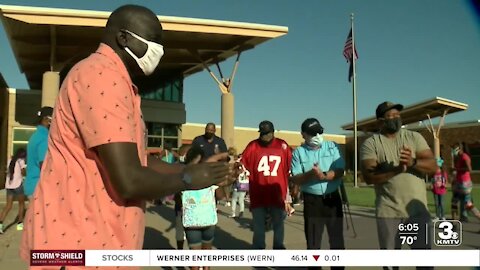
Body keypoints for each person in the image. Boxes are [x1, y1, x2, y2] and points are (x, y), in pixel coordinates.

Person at [20, 5, 235, 267]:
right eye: (153, 40)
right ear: (123, 38)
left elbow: (137, 159)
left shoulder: (116, 81)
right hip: (79, 246)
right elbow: (129, 180)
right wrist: (187, 179)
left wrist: (189, 168)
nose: (159, 51)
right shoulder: (101, 76)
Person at [360, 101, 437, 270]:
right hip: (389, 212)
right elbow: (369, 176)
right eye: (390, 116)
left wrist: (412, 162)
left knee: (425, 262)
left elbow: (433, 167)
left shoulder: (414, 138)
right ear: (381, 121)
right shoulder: (371, 144)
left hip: (417, 213)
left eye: (397, 115)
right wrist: (397, 170)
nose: (395, 118)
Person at [290, 118, 345, 270]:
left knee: (337, 242)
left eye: (320, 131)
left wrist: (324, 176)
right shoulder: (298, 153)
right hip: (313, 202)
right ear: (303, 135)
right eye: (313, 133)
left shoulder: (332, 146)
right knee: (313, 243)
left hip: (332, 200)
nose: (318, 135)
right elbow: (296, 178)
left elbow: (340, 171)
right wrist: (311, 174)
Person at [182, 145, 236, 270]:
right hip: (208, 221)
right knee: (206, 255)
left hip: (191, 222)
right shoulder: (209, 178)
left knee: (194, 258)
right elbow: (221, 196)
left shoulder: (182, 176)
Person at [241, 120, 293, 249]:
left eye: (267, 133)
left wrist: (289, 193)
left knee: (279, 224)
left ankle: (278, 249)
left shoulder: (282, 145)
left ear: (273, 132)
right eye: (262, 133)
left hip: (277, 192)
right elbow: (243, 164)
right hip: (258, 192)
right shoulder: (253, 146)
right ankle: (259, 251)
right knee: (258, 226)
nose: (265, 137)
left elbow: (289, 168)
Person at [192, 123, 230, 205]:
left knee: (213, 193)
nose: (209, 132)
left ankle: (213, 208)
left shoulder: (220, 141)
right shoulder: (198, 140)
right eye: (207, 130)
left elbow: (226, 157)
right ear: (205, 129)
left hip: (215, 172)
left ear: (214, 131)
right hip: (201, 171)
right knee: (201, 193)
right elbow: (192, 155)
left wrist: (219, 154)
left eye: (211, 130)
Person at [24, 106, 53, 198]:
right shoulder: (44, 139)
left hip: (32, 186)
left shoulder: (35, 136)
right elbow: (44, 165)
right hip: (40, 188)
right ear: (48, 120)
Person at [451, 143, 480, 222]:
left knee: (465, 204)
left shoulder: (464, 157)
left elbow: (469, 169)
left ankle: (455, 223)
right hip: (460, 183)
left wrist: (457, 169)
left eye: (454, 149)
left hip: (464, 184)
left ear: (459, 148)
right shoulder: (459, 157)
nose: (453, 151)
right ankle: (454, 223)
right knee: (457, 203)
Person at [0, 148, 27, 233]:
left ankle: (0, 224)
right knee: (21, 204)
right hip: (18, 185)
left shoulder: (9, 160)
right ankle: (19, 223)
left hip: (9, 186)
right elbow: (23, 172)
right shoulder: (21, 161)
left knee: (8, 206)